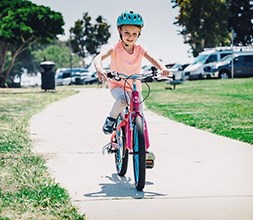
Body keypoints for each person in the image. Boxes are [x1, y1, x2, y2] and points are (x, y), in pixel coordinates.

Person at [94, 10, 171, 134]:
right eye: (127, 33)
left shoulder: (140, 49)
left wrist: (163, 68)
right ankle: (111, 119)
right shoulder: (115, 48)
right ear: (119, 31)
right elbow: (98, 57)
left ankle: (142, 146)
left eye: (135, 34)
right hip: (118, 85)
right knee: (123, 100)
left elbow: (153, 59)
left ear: (139, 34)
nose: (131, 37)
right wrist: (99, 69)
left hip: (135, 87)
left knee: (139, 112)